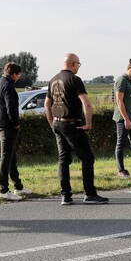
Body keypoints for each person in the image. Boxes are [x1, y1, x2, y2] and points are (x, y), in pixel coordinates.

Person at [45, 53, 108, 205]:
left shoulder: (53, 80)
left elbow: (47, 104)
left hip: (58, 123)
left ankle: (66, 195)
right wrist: (88, 123)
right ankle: (90, 194)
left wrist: (52, 123)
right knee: (87, 157)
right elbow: (86, 103)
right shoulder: (74, 79)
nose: (78, 67)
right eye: (78, 64)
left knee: (63, 160)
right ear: (73, 64)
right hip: (72, 123)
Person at [0, 62, 25, 201]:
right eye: (18, 75)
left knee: (11, 156)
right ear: (13, 74)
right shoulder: (9, 86)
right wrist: (16, 123)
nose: (19, 77)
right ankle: (3, 190)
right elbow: (11, 107)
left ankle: (18, 186)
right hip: (7, 125)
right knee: (6, 157)